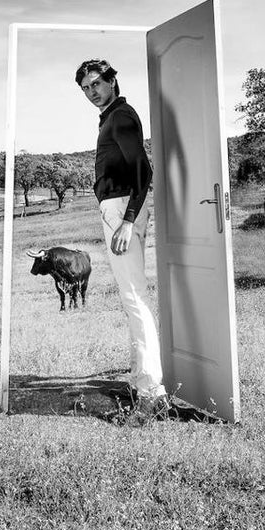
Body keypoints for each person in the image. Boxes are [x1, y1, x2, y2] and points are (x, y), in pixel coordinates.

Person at [74, 58, 168, 414]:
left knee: (134, 296)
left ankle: (151, 392)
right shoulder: (111, 118)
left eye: (96, 84)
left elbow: (143, 171)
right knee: (131, 297)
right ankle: (140, 380)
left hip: (123, 210)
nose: (91, 92)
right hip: (116, 209)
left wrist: (128, 221)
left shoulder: (122, 116)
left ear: (112, 81)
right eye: (85, 88)